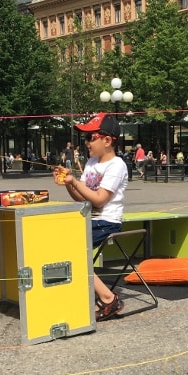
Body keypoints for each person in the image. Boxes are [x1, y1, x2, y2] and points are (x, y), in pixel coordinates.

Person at [53, 112, 127, 322]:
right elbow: (82, 198)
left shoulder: (117, 165)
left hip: (107, 222)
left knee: (72, 251)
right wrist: (69, 183)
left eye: (90, 137)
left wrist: (75, 182)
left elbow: (100, 199)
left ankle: (108, 298)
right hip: (90, 219)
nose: (86, 143)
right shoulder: (92, 163)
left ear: (107, 140)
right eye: (84, 138)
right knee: (57, 241)